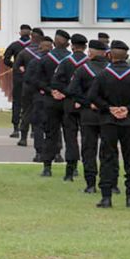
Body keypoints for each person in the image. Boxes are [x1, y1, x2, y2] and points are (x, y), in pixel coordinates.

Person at [88, 40, 130, 208]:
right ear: (127, 56)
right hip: (129, 122)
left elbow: (92, 96)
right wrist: (128, 108)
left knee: (107, 158)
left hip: (108, 121)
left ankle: (106, 197)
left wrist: (108, 108)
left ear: (110, 56)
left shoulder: (103, 75)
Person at [68, 39, 110, 193]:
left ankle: (90, 184)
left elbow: (72, 91)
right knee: (108, 150)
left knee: (89, 149)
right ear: (105, 54)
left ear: (90, 53)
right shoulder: (112, 70)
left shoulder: (82, 70)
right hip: (108, 115)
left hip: (88, 114)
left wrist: (88, 103)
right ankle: (110, 183)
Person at [49, 33, 88, 181]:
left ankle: (70, 171)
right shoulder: (89, 63)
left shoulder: (65, 63)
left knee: (70, 137)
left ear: (72, 46)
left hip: (69, 103)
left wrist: (67, 92)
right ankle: (88, 169)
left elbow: (55, 82)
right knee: (87, 138)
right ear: (85, 47)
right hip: (85, 105)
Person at [37, 29, 71, 177]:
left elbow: (38, 80)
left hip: (51, 100)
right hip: (68, 100)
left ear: (54, 42)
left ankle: (47, 167)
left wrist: (51, 91)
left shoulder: (45, 59)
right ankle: (72, 168)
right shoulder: (73, 60)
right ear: (68, 43)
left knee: (50, 134)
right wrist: (65, 93)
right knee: (70, 135)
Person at [22, 35, 52, 161]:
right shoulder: (56, 61)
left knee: (38, 125)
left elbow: (28, 79)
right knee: (54, 126)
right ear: (51, 47)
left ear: (40, 47)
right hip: (54, 97)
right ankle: (56, 152)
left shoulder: (35, 61)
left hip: (38, 96)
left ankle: (39, 152)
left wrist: (37, 90)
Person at [14, 27, 44, 148]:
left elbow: (16, 67)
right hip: (41, 87)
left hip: (27, 85)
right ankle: (35, 133)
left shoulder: (24, 52)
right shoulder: (45, 54)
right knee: (40, 111)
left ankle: (23, 137)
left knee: (26, 111)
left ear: (31, 37)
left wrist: (24, 73)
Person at [3, 24, 33, 138]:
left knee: (17, 102)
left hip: (18, 77)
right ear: (30, 34)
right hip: (32, 78)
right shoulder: (34, 46)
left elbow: (6, 60)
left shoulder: (14, 45)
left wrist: (15, 66)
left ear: (20, 33)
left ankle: (16, 129)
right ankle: (33, 130)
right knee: (32, 102)